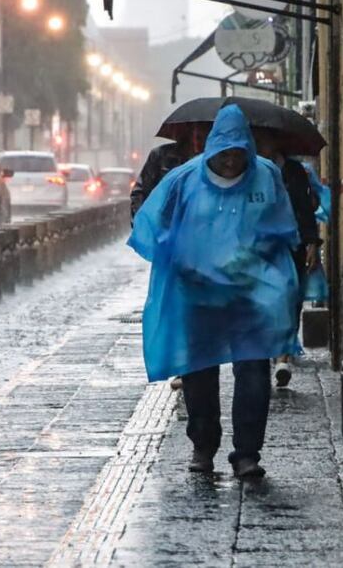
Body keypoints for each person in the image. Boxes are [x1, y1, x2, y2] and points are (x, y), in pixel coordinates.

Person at [128, 105, 302, 478]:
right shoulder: (183, 180)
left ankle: (247, 453)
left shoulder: (267, 177)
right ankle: (203, 447)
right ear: (212, 149)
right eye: (224, 155)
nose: (231, 162)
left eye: (239, 154)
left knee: (254, 371)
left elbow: (282, 228)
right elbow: (152, 223)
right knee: (199, 373)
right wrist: (177, 255)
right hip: (198, 293)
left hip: (248, 294)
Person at [130, 124, 209, 392]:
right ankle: (183, 365)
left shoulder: (217, 159)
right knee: (175, 305)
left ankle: (194, 364)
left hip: (205, 247)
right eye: (195, 135)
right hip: (171, 244)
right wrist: (148, 228)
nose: (198, 140)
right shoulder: (162, 157)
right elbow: (140, 192)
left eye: (204, 135)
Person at [251, 131, 322, 388]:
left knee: (291, 298)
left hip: (292, 245)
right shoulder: (250, 169)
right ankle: (271, 349)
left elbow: (304, 209)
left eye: (266, 141)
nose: (262, 145)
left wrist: (312, 242)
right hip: (259, 249)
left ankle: (283, 357)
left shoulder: (293, 171)